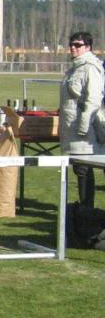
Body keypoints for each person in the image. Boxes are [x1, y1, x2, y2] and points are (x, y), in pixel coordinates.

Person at [60, 32, 104, 209]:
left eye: (77, 45)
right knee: (80, 169)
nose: (73, 47)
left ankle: (87, 212)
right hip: (73, 128)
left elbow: (93, 100)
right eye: (71, 44)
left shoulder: (90, 68)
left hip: (86, 129)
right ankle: (86, 211)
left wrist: (83, 127)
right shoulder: (74, 68)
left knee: (84, 169)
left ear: (87, 47)